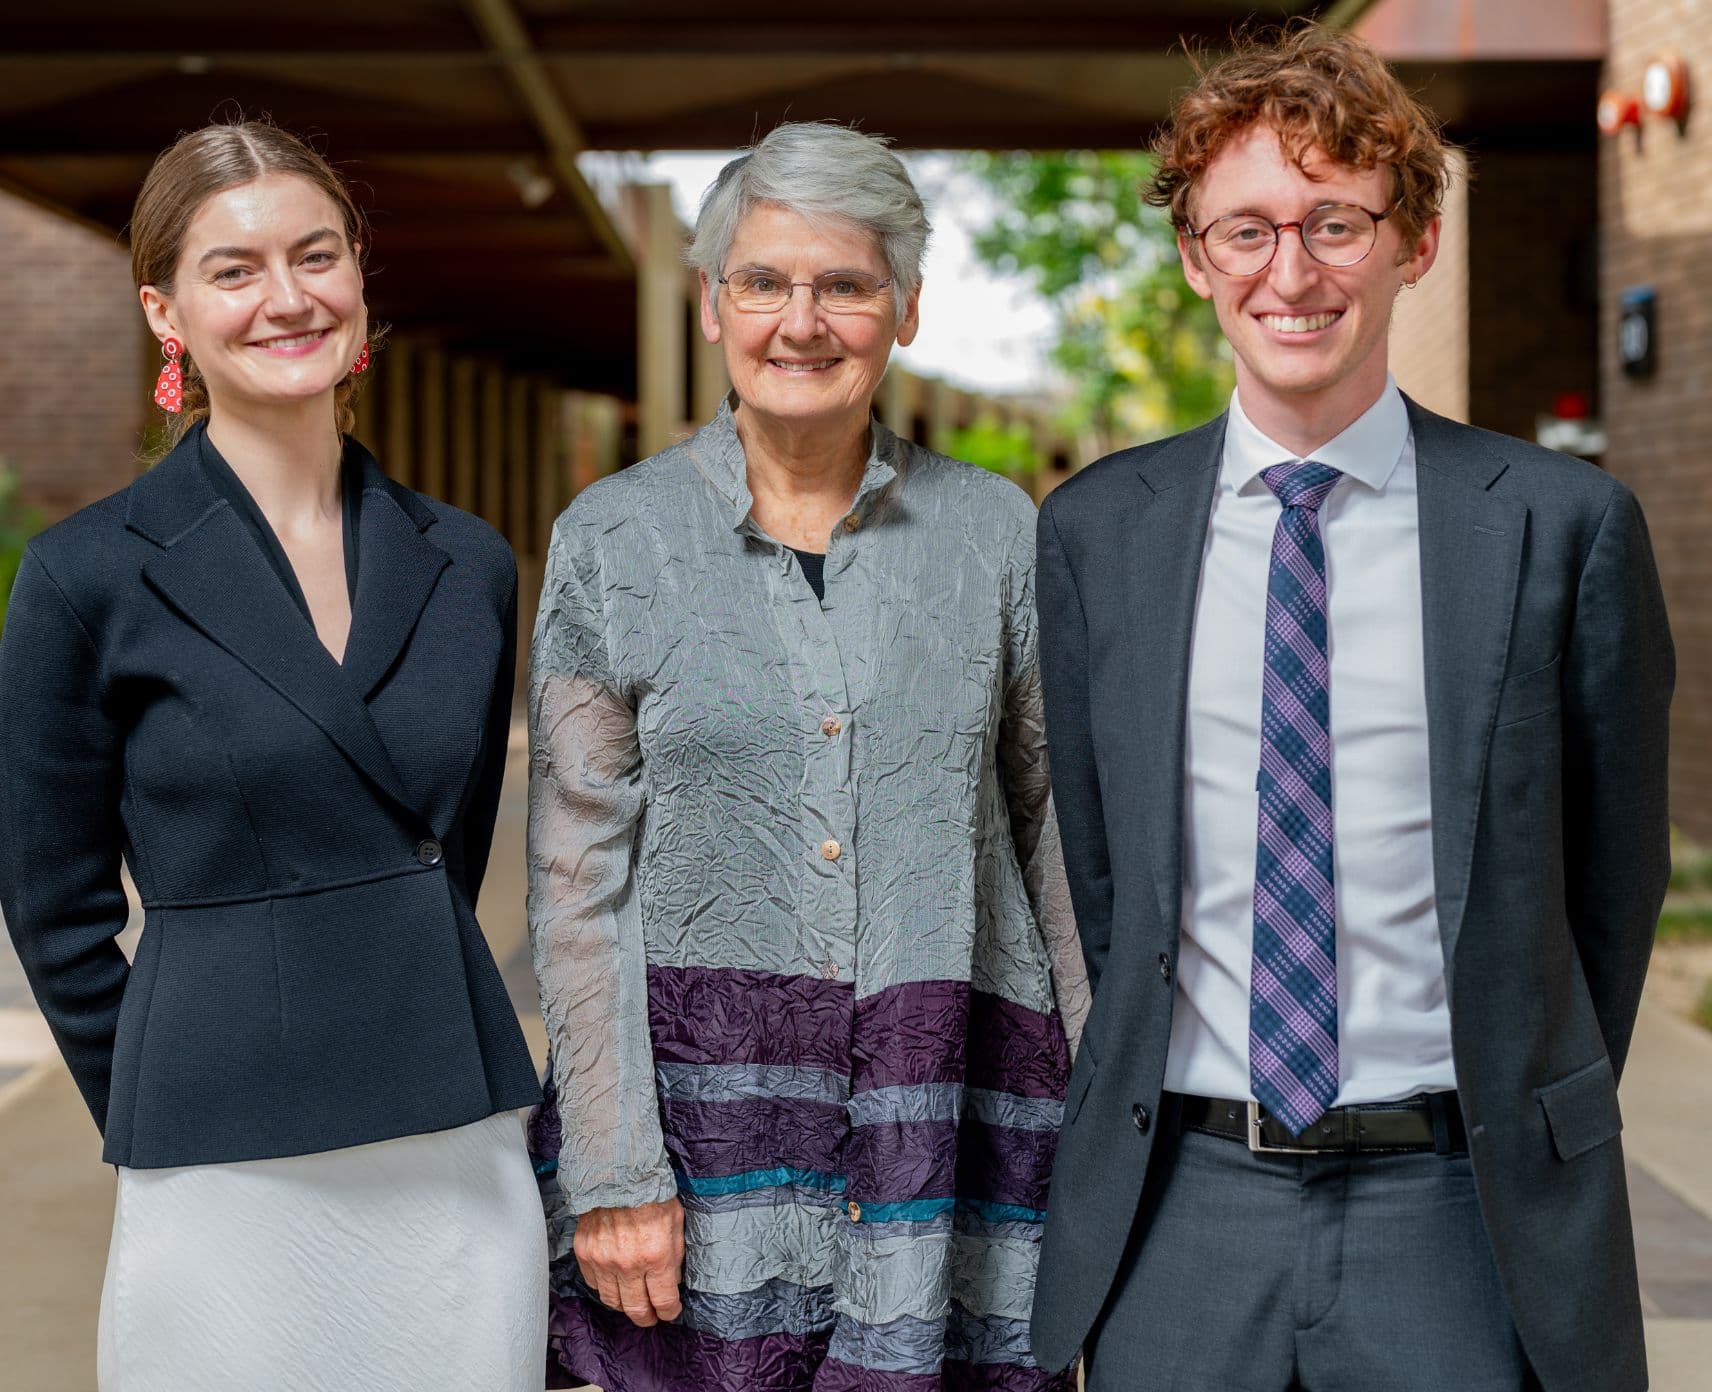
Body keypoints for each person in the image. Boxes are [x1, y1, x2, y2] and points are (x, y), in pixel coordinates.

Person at [1030, 24, 1671, 1392]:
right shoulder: (1097, 535)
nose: (1293, 271)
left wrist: (1513, 1091)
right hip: (1179, 1210)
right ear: (1197, 258)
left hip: (1459, 1213)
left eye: (1336, 220)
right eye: (1247, 229)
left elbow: (1610, 888)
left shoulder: (1562, 528)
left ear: (1414, 241)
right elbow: (1104, 875)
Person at [525, 120, 1088, 1392]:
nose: (802, 320)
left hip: (955, 1133)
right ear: (714, 303)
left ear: (904, 312)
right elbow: (575, 879)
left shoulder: (998, 536)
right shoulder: (610, 541)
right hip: (693, 1157)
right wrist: (613, 1175)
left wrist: (1106, 1119)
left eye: (844, 284)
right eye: (765, 282)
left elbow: (1056, 831)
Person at [0, 121, 547, 1390]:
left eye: (316, 256)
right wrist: (172, 1084)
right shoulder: (88, 575)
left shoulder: (464, 562)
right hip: (218, 1148)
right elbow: (54, 903)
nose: (287, 298)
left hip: (449, 1131)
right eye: (234, 269)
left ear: (359, 275)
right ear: (166, 310)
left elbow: (439, 859)